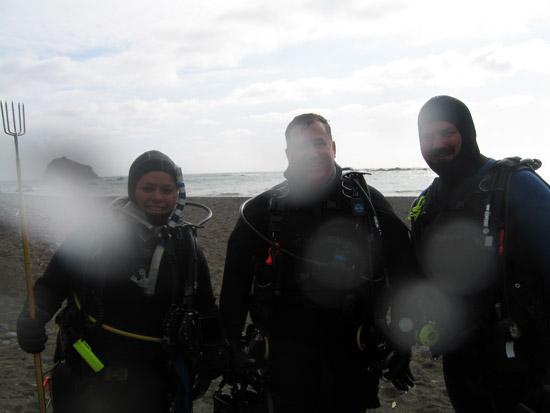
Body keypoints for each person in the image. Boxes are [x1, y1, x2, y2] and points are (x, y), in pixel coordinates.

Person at [219, 113, 416, 413]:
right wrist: (231, 347)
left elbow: (405, 267)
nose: (311, 153)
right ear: (288, 154)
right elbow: (234, 287)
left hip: (353, 357)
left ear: (333, 147)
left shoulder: (366, 204)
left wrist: (404, 337)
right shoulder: (262, 212)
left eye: (318, 143)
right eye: (301, 146)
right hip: (285, 362)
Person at [16, 150, 222, 413]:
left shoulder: (186, 247)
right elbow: (52, 284)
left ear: (177, 193)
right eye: (148, 188)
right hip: (91, 374)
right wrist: (32, 318)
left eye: (166, 189)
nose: (157, 197)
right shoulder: (95, 234)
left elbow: (205, 305)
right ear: (132, 188)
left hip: (158, 379)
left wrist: (218, 349)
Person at [410, 95, 550, 412]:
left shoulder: (517, 186)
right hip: (461, 361)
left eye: (446, 132)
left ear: (468, 132)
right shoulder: (426, 202)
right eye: (428, 137)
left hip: (526, 357)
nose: (438, 143)